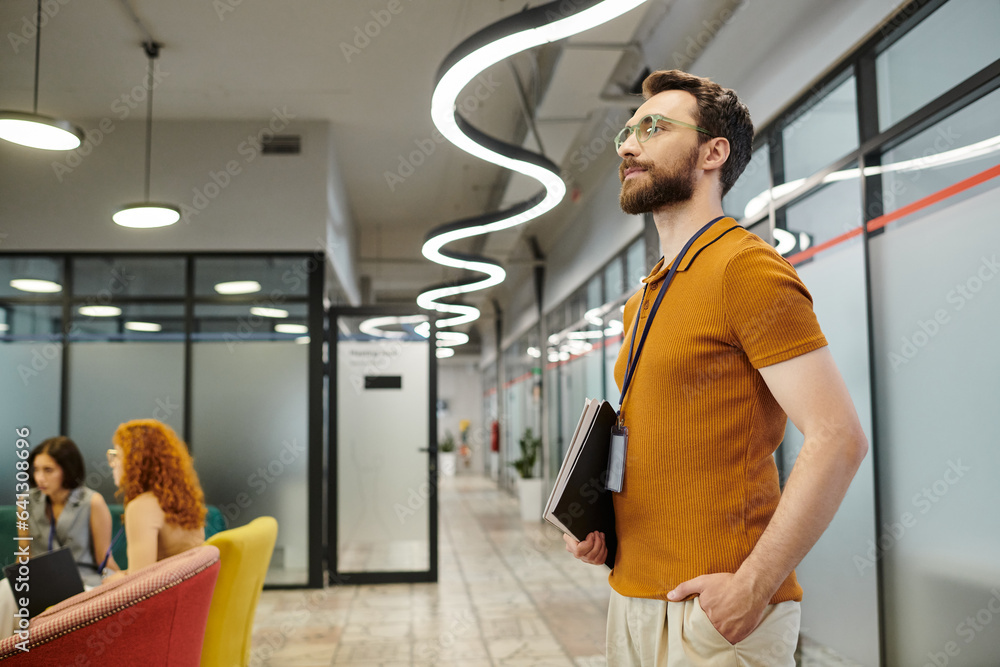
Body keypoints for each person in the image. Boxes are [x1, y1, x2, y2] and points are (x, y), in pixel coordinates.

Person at [563, 69, 868, 666]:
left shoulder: (744, 269)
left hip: (713, 612)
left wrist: (751, 588)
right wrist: (603, 521)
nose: (628, 146)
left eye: (652, 128)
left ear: (713, 152)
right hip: (631, 595)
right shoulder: (643, 298)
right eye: (626, 133)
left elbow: (839, 439)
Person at [1, 436, 119, 636]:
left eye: (48, 470)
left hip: (82, 582)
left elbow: (104, 560)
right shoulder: (26, 502)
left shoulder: (92, 502)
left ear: (68, 469)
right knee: (5, 590)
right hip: (39, 582)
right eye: (36, 469)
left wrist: (121, 583)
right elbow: (24, 556)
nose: (39, 478)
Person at [105, 419, 206, 579]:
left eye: (117, 455)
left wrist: (114, 580)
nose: (113, 463)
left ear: (137, 461)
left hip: (166, 599)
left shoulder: (141, 507)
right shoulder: (181, 499)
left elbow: (139, 583)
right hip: (189, 594)